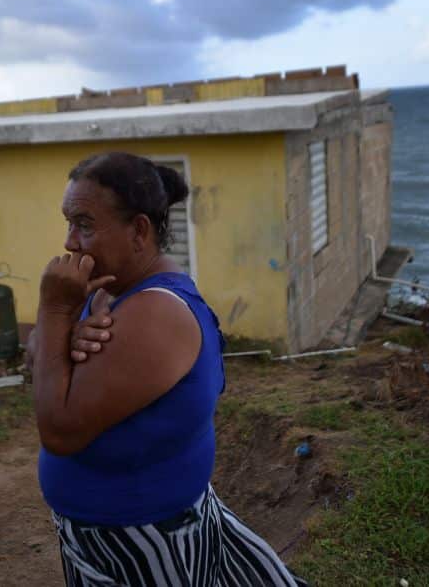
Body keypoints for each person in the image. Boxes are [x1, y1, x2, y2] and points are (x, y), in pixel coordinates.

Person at [31, 152, 306, 586]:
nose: (70, 242)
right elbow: (43, 365)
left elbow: (60, 431)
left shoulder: (155, 313)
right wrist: (61, 333)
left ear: (139, 230)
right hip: (114, 539)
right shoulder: (106, 292)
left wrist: (53, 312)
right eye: (68, 223)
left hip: (148, 544)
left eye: (84, 224)